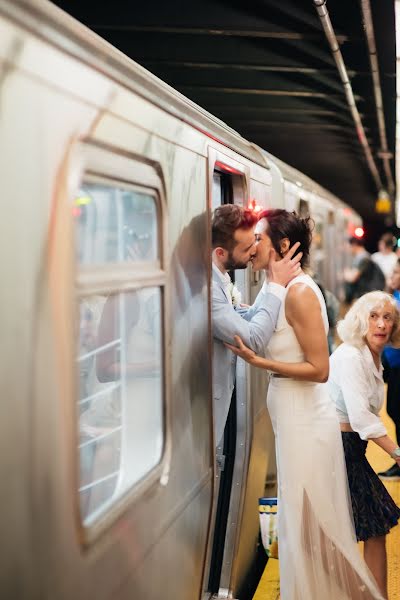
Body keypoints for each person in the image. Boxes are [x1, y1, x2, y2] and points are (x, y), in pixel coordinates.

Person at [225, 209, 384, 600]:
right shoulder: (274, 286)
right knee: (303, 526)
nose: (251, 245)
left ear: (282, 246)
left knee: (316, 529)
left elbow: (320, 368)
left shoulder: (299, 292)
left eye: (259, 238)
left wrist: (261, 363)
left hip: (306, 420)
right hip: (291, 416)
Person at [328, 292, 400, 598]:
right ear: (360, 319)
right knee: (369, 526)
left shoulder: (372, 356)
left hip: (351, 449)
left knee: (373, 527)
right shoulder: (351, 356)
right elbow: (360, 417)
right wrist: (397, 452)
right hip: (337, 449)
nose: (381, 324)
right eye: (373, 316)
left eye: (388, 318)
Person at [211, 204, 301, 445]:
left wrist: (272, 283)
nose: (253, 250)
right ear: (221, 253)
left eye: (256, 240)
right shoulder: (209, 288)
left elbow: (243, 315)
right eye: (246, 247)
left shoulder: (220, 277)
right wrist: (275, 286)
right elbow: (254, 339)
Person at [379, 260, 400, 479]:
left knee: (396, 411)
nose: (391, 275)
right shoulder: (394, 298)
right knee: (394, 410)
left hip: (399, 367)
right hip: (394, 366)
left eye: (396, 272)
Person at [344, 237, 385, 303]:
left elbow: (352, 278)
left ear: (354, 245)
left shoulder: (363, 257)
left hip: (367, 295)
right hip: (365, 295)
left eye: (349, 247)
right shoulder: (361, 257)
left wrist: (346, 273)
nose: (348, 250)